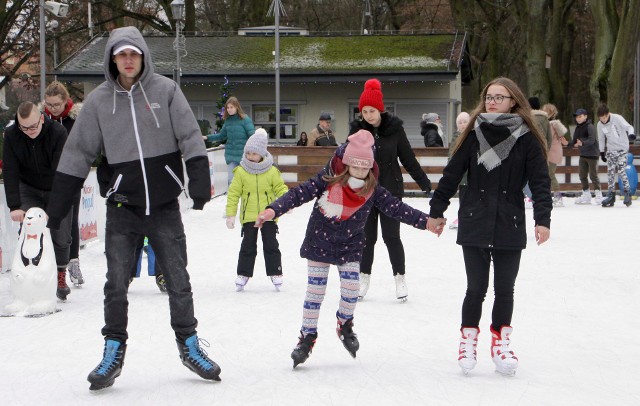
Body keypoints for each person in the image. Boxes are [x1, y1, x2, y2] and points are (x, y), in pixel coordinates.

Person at [45, 26, 221, 390]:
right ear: (113, 58)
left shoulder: (166, 91)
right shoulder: (97, 102)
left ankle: (189, 345)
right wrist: (58, 205)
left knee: (178, 280)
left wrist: (199, 179)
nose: (128, 60)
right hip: (123, 208)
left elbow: (190, 135)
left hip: (164, 207)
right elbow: (78, 151)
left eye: (134, 53)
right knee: (115, 284)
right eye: (121, 54)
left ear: (143, 56)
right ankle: (113, 351)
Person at [255, 129, 431, 368]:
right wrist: (273, 210)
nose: (360, 171)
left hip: (349, 245)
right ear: (346, 164)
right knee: (314, 294)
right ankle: (307, 336)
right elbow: (299, 193)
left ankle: (344, 323)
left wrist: (427, 222)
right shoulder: (328, 179)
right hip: (320, 241)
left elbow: (396, 208)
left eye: (364, 167)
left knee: (351, 290)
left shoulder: (372, 190)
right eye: (355, 166)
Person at [426, 77, 552, 376]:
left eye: (500, 97)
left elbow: (539, 182)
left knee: (505, 290)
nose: (493, 101)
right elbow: (451, 175)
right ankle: (468, 339)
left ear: (513, 102)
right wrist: (436, 211)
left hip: (509, 221)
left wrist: (543, 219)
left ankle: (501, 342)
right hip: (475, 219)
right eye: (489, 96)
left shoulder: (527, 138)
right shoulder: (472, 134)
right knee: (476, 288)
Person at [349, 78, 432, 301]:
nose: (368, 115)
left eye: (372, 110)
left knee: (391, 237)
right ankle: (363, 278)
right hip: (365, 192)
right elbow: (346, 161)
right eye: (364, 111)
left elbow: (408, 158)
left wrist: (425, 184)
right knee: (367, 238)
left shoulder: (394, 130)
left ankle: (400, 278)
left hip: (390, 190)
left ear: (380, 109)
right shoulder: (357, 131)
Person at [2, 101, 73, 301]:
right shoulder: (13, 135)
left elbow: (63, 169)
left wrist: (57, 204)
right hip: (29, 187)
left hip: (57, 187)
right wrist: (15, 206)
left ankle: (59, 273)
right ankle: (25, 276)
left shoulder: (58, 132)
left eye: (33, 126)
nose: (29, 131)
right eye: (24, 127)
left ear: (42, 118)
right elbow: (9, 170)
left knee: (60, 233)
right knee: (28, 229)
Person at [226, 128, 288, 291]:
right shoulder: (241, 171)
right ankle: (243, 274)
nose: (250, 157)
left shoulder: (272, 171)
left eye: (254, 154)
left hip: (268, 216)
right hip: (249, 216)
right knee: (247, 246)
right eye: (248, 153)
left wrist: (286, 204)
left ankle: (276, 272)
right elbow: (233, 193)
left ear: (261, 153)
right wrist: (230, 214)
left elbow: (280, 188)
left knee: (271, 245)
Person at [43, 81, 85, 287]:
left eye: (56, 105)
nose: (53, 108)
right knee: (50, 222)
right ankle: (52, 265)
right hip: (47, 179)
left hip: (71, 177)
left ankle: (73, 261)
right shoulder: (41, 120)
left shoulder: (75, 120)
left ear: (65, 101)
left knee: (71, 222)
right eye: (49, 104)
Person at [206, 96, 255, 184]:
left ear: (237, 107)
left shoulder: (245, 120)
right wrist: (207, 137)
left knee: (245, 183)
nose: (229, 109)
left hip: (244, 157)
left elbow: (253, 136)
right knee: (231, 181)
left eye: (231, 107)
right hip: (231, 157)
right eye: (227, 108)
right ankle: (232, 198)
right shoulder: (228, 121)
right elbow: (221, 135)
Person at [596, 103, 636, 207]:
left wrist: (631, 134)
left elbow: (629, 127)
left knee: (621, 170)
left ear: (608, 114)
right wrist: (601, 152)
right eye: (601, 118)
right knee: (610, 172)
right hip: (611, 149)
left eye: (605, 117)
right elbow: (601, 139)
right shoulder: (599, 125)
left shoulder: (617, 118)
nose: (603, 120)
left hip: (622, 148)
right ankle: (611, 194)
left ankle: (628, 193)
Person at [569, 108, 602, 204]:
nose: (578, 119)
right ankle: (586, 194)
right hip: (583, 154)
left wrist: (582, 143)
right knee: (582, 175)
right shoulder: (578, 128)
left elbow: (591, 140)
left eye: (580, 116)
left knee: (593, 175)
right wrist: (567, 144)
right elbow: (575, 141)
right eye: (577, 117)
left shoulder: (590, 127)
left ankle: (598, 194)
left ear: (585, 116)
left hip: (592, 155)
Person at [541, 103, 569, 207]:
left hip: (553, 152)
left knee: (550, 174)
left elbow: (560, 137)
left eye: (545, 110)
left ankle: (557, 196)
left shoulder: (552, 124)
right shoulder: (547, 124)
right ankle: (548, 195)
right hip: (549, 151)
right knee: (546, 174)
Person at [448, 111, 470, 229]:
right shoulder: (456, 138)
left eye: (465, 122)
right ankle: (462, 218)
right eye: (460, 123)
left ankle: (471, 218)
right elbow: (451, 156)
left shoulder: (475, 136)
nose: (462, 124)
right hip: (462, 176)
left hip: (474, 175)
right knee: (464, 198)